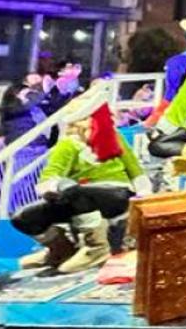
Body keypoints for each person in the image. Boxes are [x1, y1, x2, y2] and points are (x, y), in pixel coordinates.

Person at [14, 104, 145, 274]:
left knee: (78, 192)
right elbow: (50, 175)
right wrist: (55, 186)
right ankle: (60, 249)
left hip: (117, 192)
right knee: (23, 217)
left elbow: (134, 168)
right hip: (78, 196)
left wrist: (143, 193)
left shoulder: (113, 137)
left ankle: (97, 247)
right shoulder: (67, 145)